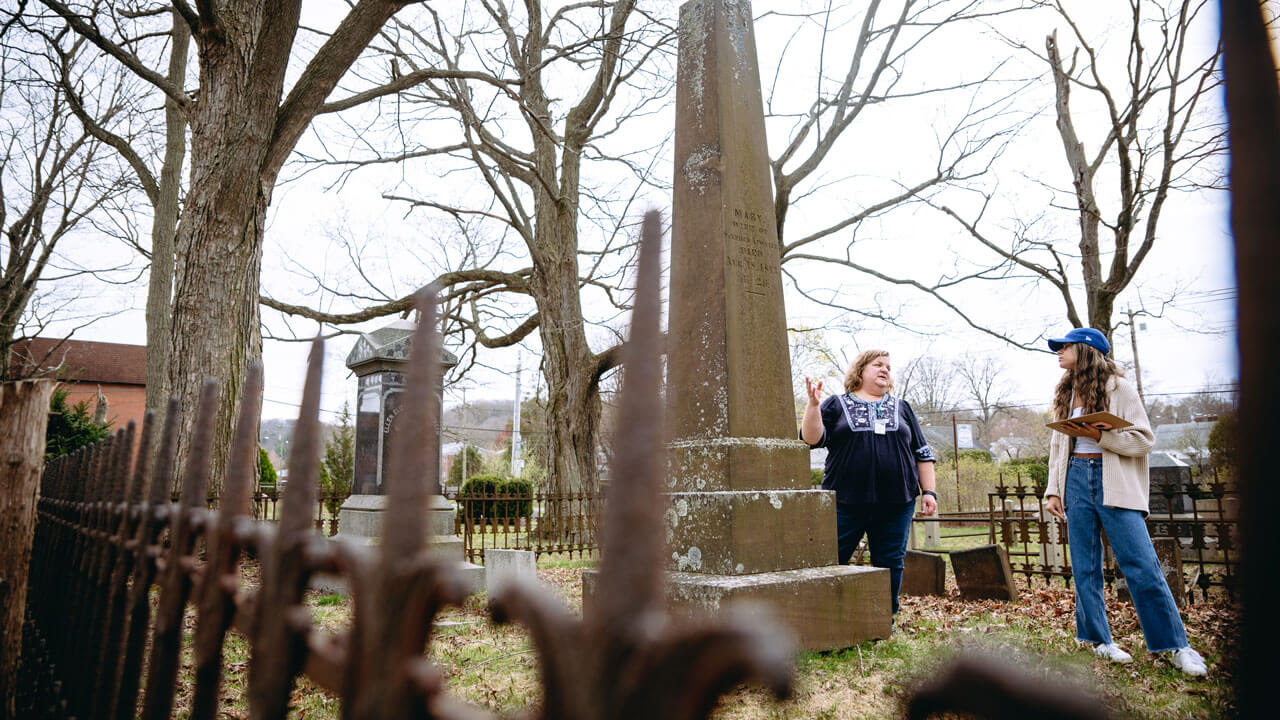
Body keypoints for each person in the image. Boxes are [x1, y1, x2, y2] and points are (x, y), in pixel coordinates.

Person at [1042, 328, 1208, 676]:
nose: (1058, 352)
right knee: (1085, 567)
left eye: (1065, 347)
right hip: (1075, 480)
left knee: (1141, 564)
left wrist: (1100, 435)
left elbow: (1143, 440)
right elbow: (1058, 448)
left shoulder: (1120, 387)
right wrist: (1053, 490)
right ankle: (1097, 639)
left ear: (1086, 350)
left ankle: (1176, 645)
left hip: (1112, 478)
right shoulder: (1064, 392)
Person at [800, 349, 938, 616]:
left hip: (897, 501)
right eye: (878, 365)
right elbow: (811, 439)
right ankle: (825, 620)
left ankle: (885, 621)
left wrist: (929, 491)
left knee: (890, 563)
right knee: (831, 560)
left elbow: (922, 453)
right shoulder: (836, 404)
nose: (885, 369)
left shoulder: (902, 407)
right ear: (860, 371)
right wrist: (813, 406)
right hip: (844, 501)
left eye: (888, 365)